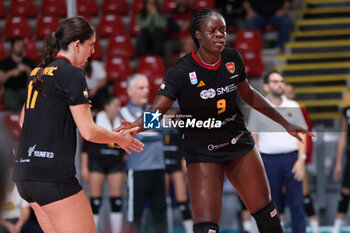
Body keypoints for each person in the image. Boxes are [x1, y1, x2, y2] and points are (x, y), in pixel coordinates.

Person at [119, 9, 314, 233]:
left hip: (238, 141)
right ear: (197, 34)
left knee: (268, 215)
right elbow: (158, 111)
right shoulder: (181, 71)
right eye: (212, 31)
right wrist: (134, 127)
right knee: (206, 227)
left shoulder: (232, 58)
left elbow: (249, 94)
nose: (220, 35)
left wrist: (285, 123)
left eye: (222, 30)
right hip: (202, 149)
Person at [13, 17, 144, 233]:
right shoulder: (72, 74)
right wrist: (120, 138)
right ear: (76, 45)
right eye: (91, 45)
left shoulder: (37, 72)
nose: (93, 51)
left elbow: (23, 120)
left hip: (25, 175)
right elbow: (89, 132)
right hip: (52, 176)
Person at [248, 71, 308, 233]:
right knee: (271, 206)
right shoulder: (258, 107)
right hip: (268, 161)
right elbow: (254, 137)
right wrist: (256, 165)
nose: (279, 84)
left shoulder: (294, 106)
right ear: (266, 86)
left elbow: (302, 133)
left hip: (291, 159)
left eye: (281, 81)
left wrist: (301, 159)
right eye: (275, 81)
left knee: (297, 204)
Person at [120, 74, 167, 233]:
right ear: (129, 91)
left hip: (158, 168)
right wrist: (154, 130)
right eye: (141, 88)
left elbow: (166, 129)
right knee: (134, 216)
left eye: (147, 87)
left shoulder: (151, 109)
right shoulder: (124, 112)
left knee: (161, 215)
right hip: (138, 171)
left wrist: (142, 131)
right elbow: (139, 134)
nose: (146, 91)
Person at [80, 96, 125, 233]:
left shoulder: (122, 122)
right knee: (95, 202)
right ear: (107, 106)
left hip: (115, 163)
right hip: (97, 163)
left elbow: (125, 144)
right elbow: (84, 148)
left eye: (119, 106)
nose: (118, 109)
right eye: (115, 105)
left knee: (116, 202)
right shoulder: (95, 121)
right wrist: (84, 168)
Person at [284, 83, 320, 233]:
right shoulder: (273, 109)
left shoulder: (299, 109)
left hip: (297, 156)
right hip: (278, 158)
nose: (285, 94)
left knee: (303, 193)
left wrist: (304, 158)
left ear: (293, 95)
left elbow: (307, 134)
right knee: (279, 195)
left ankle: (314, 226)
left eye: (289, 92)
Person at [163, 106, 193, 233]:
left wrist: (183, 159)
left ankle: (189, 229)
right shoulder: (157, 122)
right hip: (161, 163)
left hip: (176, 161)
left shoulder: (180, 123)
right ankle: (162, 228)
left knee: (182, 199)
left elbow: (185, 142)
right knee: (162, 200)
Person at [331, 90, 350, 233]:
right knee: (345, 190)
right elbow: (343, 135)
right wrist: (338, 162)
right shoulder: (347, 103)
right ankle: (337, 227)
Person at [0, 38, 36, 112]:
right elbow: (1, 79)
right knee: (10, 98)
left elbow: (37, 79)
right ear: (12, 47)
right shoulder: (4, 63)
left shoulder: (29, 62)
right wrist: (11, 73)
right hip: (11, 91)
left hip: (26, 89)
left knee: (36, 96)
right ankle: (22, 118)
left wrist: (27, 70)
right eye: (17, 45)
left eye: (22, 45)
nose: (20, 47)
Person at [164, 0, 195, 66]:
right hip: (176, 40)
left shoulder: (193, 12)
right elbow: (170, 28)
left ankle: (192, 68)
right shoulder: (170, 14)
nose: (181, 1)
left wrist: (189, 23)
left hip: (190, 39)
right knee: (167, 45)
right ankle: (168, 70)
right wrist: (180, 27)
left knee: (190, 42)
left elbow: (198, 25)